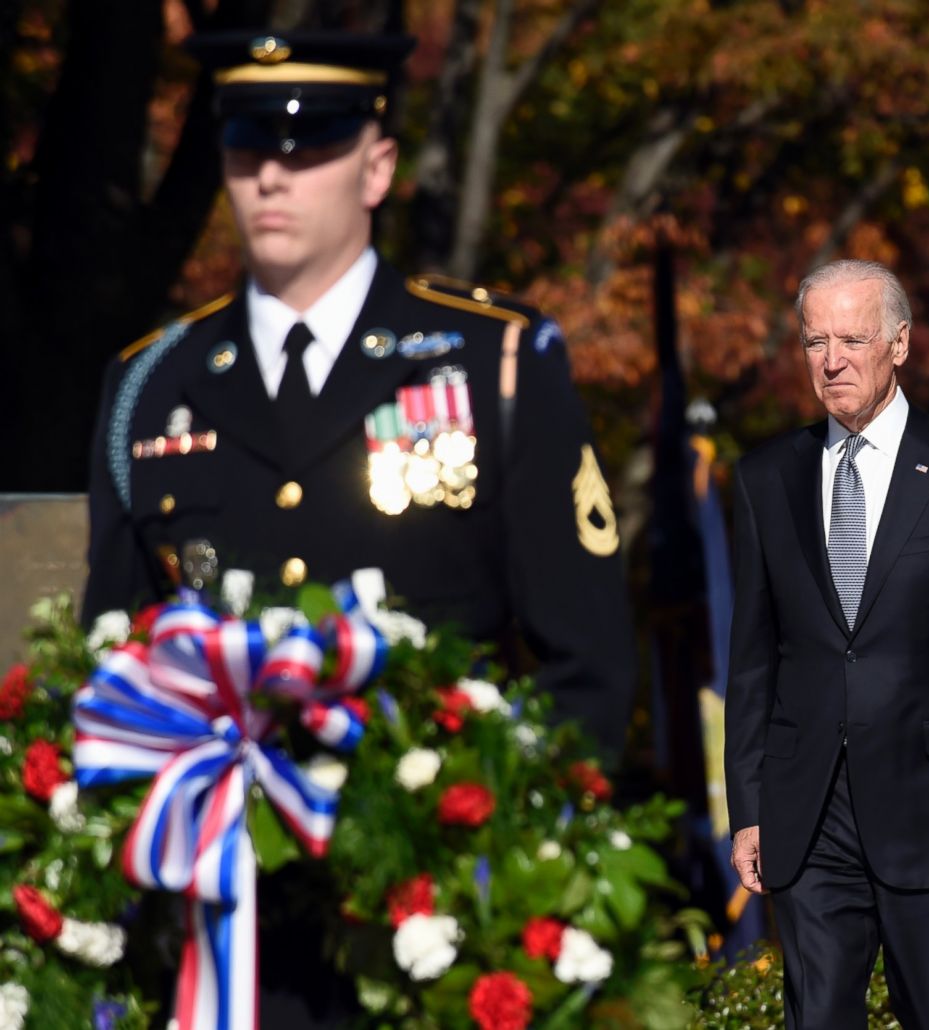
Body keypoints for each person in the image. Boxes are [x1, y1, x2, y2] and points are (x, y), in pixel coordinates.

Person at [81, 33, 637, 1025]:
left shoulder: (491, 365)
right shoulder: (151, 382)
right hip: (219, 932)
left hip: (433, 924)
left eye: (309, 148)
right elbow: (112, 658)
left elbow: (584, 666)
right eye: (249, 149)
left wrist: (512, 864)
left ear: (377, 166)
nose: (272, 177)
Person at [724, 259, 929, 1028]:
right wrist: (749, 807)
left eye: (851, 339)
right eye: (814, 341)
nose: (831, 361)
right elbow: (754, 656)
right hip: (806, 812)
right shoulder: (767, 477)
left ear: (899, 343)